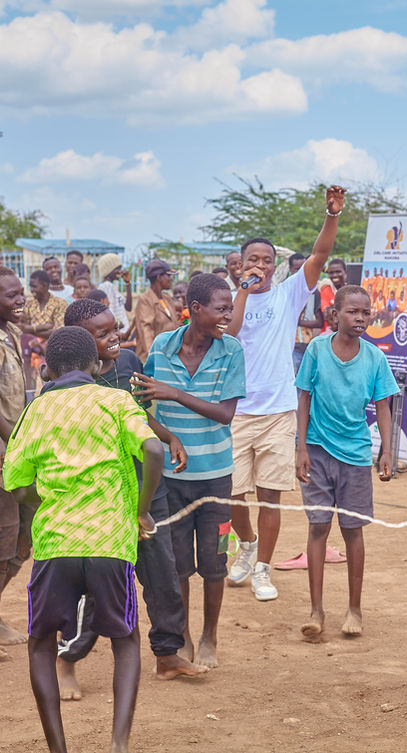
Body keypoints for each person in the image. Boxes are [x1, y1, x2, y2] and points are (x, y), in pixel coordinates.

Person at [3, 325, 164, 753]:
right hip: (110, 541)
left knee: (41, 645)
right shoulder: (115, 400)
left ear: (47, 370)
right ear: (96, 365)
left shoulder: (36, 410)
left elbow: (16, 483)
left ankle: (58, 748)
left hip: (56, 543)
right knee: (125, 641)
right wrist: (142, 510)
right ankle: (119, 745)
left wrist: (44, 497)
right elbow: (153, 450)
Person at [55, 300, 204, 700]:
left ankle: (168, 654)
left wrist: (168, 436)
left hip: (147, 487)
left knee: (163, 575)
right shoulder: (66, 381)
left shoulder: (127, 364)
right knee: (97, 584)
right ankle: (67, 660)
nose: (114, 336)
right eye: (102, 333)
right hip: (100, 496)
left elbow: (138, 413)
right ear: (79, 340)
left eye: (114, 327)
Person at [225, 185, 346, 601]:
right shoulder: (231, 299)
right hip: (236, 411)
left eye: (267, 260)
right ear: (240, 264)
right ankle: (247, 544)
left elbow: (319, 256)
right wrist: (244, 290)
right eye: (252, 260)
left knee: (270, 497)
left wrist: (331, 215)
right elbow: (232, 333)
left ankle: (262, 569)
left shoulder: (289, 293)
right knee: (232, 493)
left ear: (275, 266)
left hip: (278, 411)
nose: (260, 265)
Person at [133, 273, 246, 668]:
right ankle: (181, 638)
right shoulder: (162, 347)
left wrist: (176, 393)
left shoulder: (231, 350)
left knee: (215, 563)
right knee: (177, 563)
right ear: (195, 309)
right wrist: (167, 437)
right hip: (171, 481)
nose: (228, 316)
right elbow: (140, 405)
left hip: (216, 478)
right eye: (221, 309)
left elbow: (226, 414)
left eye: (229, 309)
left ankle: (209, 635)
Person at [296, 285, 396, 637]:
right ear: (335, 314)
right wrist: (301, 448)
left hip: (355, 455)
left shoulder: (375, 358)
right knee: (318, 527)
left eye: (366, 312)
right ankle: (316, 611)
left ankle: (354, 609)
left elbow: (383, 406)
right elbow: (304, 397)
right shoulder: (317, 349)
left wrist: (386, 450)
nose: (360, 318)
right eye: (353, 311)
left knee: (353, 531)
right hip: (317, 452)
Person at [0, 267, 29, 661]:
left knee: (25, 534)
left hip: (16, 454)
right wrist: (17, 442)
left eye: (21, 292)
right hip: (6, 453)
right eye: (12, 295)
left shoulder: (11, 333)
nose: (20, 299)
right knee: (5, 537)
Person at [133, 259, 178, 361]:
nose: (171, 279)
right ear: (159, 277)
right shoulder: (145, 300)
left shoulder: (167, 299)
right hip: (154, 359)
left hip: (170, 357)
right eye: (168, 276)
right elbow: (146, 331)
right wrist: (154, 358)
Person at [289, 254, 323, 375]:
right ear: (290, 269)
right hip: (290, 347)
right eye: (297, 269)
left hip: (308, 346)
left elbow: (319, 322)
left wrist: (298, 321)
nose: (300, 272)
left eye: (303, 268)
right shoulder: (285, 291)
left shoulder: (313, 292)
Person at [21, 270, 67, 340]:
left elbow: (58, 332)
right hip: (31, 344)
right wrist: (41, 327)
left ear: (45, 286)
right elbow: (21, 328)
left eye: (34, 286)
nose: (31, 290)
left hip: (52, 344)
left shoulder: (60, 303)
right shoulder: (29, 303)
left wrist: (31, 331)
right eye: (30, 286)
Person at [97, 253, 132, 336]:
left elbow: (128, 307)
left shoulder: (113, 286)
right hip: (118, 334)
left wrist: (128, 283)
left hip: (122, 332)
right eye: (117, 268)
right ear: (109, 270)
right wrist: (118, 327)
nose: (120, 271)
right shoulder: (106, 287)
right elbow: (109, 312)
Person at [320, 258, 347, 335]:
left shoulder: (352, 291)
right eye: (331, 273)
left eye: (338, 271)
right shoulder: (325, 290)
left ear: (345, 272)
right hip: (329, 335)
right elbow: (327, 315)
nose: (334, 275)